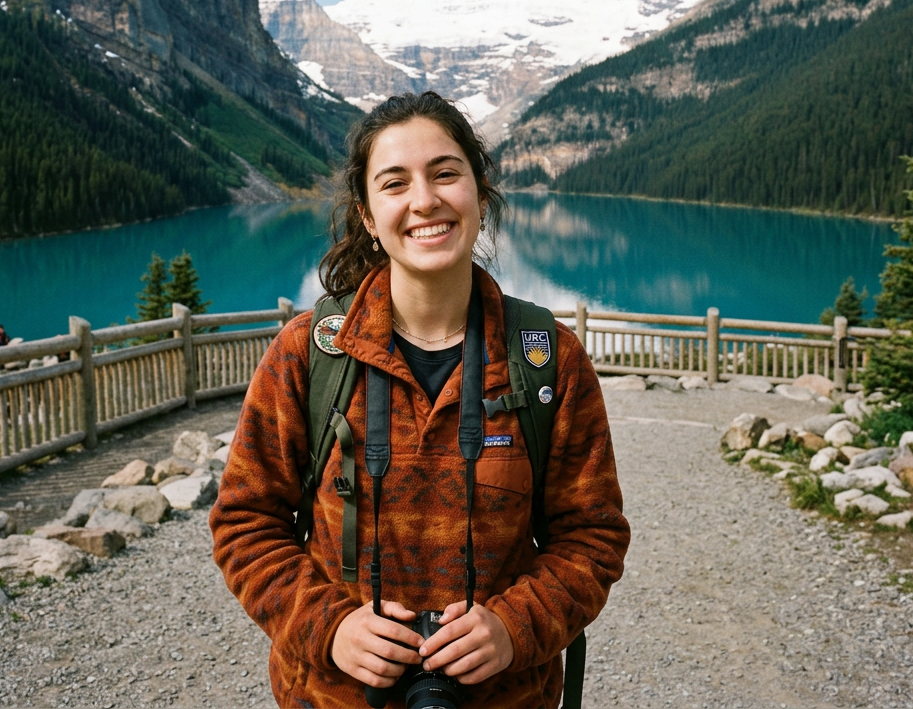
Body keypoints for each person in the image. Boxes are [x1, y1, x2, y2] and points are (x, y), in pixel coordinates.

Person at [210, 92, 629, 708]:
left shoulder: (549, 360)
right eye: (394, 183)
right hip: (334, 698)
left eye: (445, 173)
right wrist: (330, 628)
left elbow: (593, 536)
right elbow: (244, 523)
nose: (424, 200)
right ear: (369, 217)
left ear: (480, 196)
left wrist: (514, 628)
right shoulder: (307, 356)